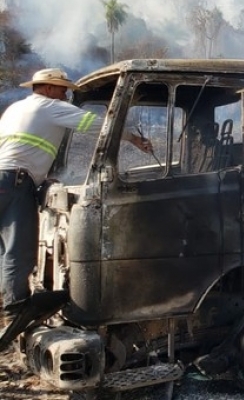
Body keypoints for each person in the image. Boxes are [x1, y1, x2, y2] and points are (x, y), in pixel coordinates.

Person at [0, 68, 152, 325]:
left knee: (4, 247)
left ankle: (8, 299)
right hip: (15, 181)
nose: (66, 94)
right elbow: (98, 125)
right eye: (62, 89)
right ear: (47, 88)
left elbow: (24, 147)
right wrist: (134, 139)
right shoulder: (48, 106)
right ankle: (16, 309)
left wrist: (42, 177)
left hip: (7, 176)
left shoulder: (16, 108)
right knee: (19, 247)